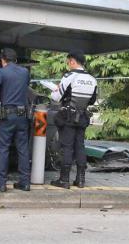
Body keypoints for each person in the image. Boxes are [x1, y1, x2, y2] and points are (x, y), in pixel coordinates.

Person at [50, 50, 97, 189]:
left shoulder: (69, 76)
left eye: (68, 62)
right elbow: (92, 100)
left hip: (68, 117)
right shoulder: (92, 79)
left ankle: (64, 180)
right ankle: (81, 180)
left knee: (67, 147)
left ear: (72, 61)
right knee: (80, 146)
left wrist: (55, 90)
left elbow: (56, 97)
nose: (68, 64)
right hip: (82, 117)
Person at [0, 48, 30, 192]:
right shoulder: (25, 72)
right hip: (23, 116)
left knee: (3, 148)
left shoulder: (1, 72)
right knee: (23, 149)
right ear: (16, 60)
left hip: (8, 116)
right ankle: (25, 182)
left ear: (3, 60)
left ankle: (1, 182)